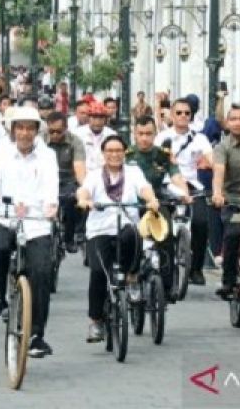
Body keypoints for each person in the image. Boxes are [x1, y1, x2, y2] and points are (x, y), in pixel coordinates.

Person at [0, 105, 59, 358]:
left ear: (36, 131)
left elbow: (51, 186)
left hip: (36, 220)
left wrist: (51, 205)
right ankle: (2, 296)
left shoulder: (47, 156)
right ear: (13, 131)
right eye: (20, 128)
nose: (24, 133)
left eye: (29, 128)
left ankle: (36, 334)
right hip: (5, 215)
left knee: (42, 273)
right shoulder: (1, 152)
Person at [77, 135, 159, 343]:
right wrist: (84, 200)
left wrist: (151, 200)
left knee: (134, 234)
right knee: (98, 272)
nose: (114, 154)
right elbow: (84, 190)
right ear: (103, 154)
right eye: (110, 151)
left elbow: (144, 188)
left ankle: (131, 279)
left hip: (126, 225)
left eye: (118, 150)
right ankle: (96, 321)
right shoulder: (95, 175)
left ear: (125, 152)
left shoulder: (133, 172)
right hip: (100, 229)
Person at [126, 114, 190, 298]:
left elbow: (176, 176)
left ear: (155, 134)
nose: (144, 138)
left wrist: (184, 194)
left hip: (158, 202)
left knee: (166, 237)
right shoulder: (126, 155)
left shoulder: (163, 155)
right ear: (134, 134)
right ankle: (131, 275)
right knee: (131, 238)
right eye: (140, 133)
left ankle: (168, 286)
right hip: (133, 204)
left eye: (148, 133)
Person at [155, 98, 213, 286]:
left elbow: (211, 158)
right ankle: (166, 268)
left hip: (192, 185)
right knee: (165, 228)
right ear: (172, 115)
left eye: (187, 113)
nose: (183, 116)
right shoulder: (162, 137)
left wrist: (210, 163)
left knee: (201, 223)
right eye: (178, 113)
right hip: (167, 184)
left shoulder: (199, 138)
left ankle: (195, 269)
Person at [212, 102, 240, 300]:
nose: (238, 123)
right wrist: (217, 193)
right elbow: (219, 172)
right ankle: (229, 281)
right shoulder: (222, 147)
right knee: (232, 234)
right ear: (227, 123)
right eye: (233, 119)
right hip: (235, 203)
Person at [43, 111, 85, 252]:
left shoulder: (75, 141)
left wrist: (84, 188)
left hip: (67, 181)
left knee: (72, 200)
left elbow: (79, 167)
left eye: (58, 131)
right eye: (51, 131)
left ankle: (69, 238)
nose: (54, 135)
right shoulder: (40, 140)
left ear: (66, 129)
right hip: (45, 180)